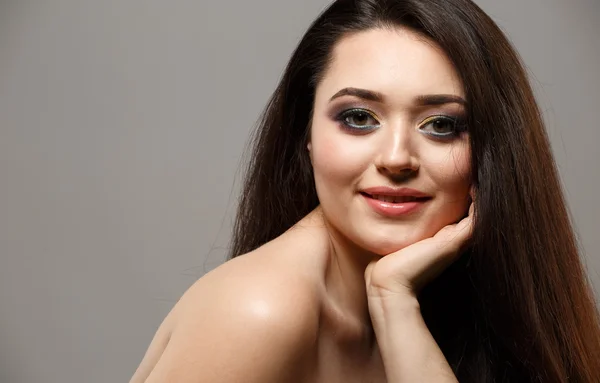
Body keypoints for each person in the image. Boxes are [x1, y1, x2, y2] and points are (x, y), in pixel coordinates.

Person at [130, 0, 600, 381]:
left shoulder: (445, 304)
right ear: (306, 135)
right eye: (358, 118)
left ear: (494, 151)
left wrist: (393, 301)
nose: (396, 158)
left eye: (441, 125)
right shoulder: (260, 312)